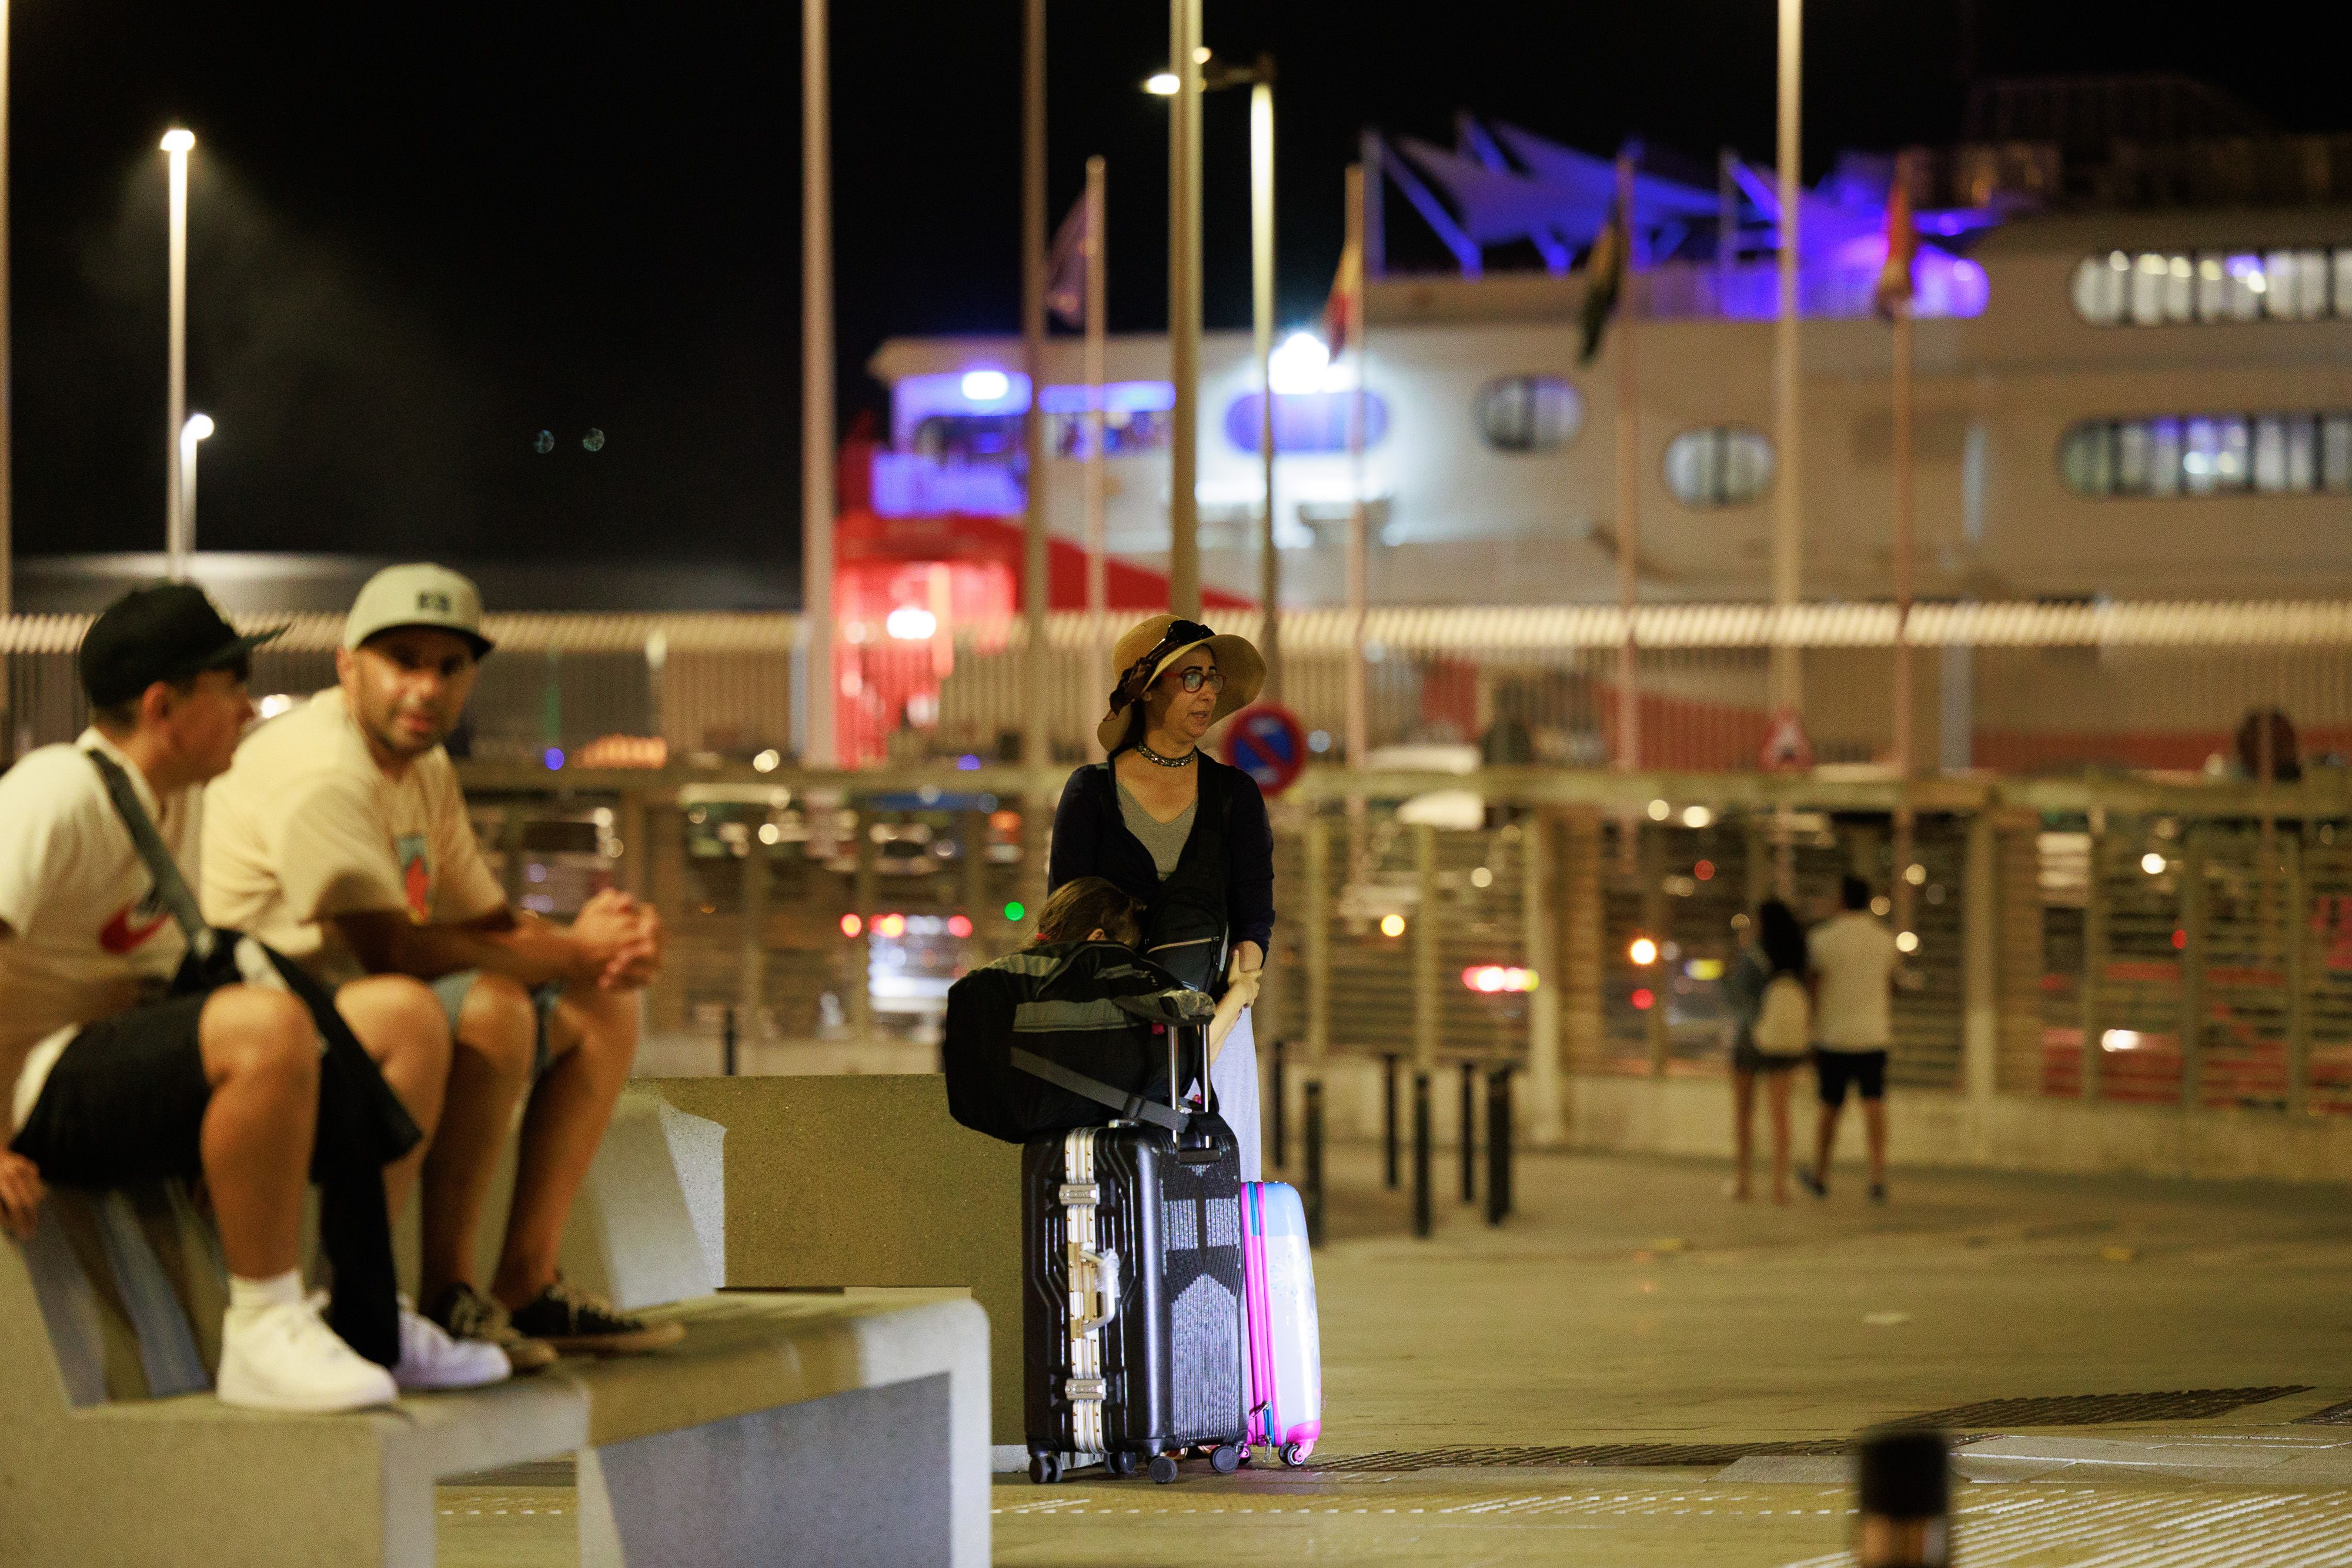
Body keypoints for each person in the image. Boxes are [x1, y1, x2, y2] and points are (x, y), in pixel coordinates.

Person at [1, 583, 507, 1409]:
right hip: (32, 1089)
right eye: (230, 688)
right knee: (265, 1025)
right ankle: (263, 1328)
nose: (247, 710)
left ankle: (359, 1311)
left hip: (114, 1067)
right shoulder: (56, 789)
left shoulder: (184, 800)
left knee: (402, 1016)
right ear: (165, 705)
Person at [203, 564, 679, 1366]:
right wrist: (572, 947)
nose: (426, 685)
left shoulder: (421, 769)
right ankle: (439, 1292)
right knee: (490, 1002)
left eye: (449, 665)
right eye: (404, 659)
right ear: (348, 665)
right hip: (267, 1022)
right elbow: (390, 945)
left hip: (359, 1009)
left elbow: (484, 920)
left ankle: (527, 1280)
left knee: (601, 1001)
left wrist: (604, 941)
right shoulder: (323, 767)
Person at [1048, 615, 1275, 1180]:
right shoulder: (1090, 793)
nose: (1208, 692)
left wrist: (1238, 996)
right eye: (1191, 677)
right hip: (1113, 1029)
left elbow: (1255, 910)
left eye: (1214, 678)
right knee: (1119, 1192)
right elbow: (1067, 917)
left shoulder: (1235, 795)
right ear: (1148, 687)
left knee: (1219, 1188)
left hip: (1215, 1015)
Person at [1031, 875, 1261, 1059]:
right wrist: (1239, 992)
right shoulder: (1084, 996)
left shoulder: (1028, 978)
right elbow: (1183, 1059)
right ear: (1097, 938)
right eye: (1124, 952)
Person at [1799, 875, 1900, 1204]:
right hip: (1874, 1034)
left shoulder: (1821, 939)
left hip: (1833, 1035)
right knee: (1874, 1103)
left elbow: (1812, 988)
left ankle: (1821, 1175)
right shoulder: (1885, 940)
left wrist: (1809, 1032)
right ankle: (1877, 1176)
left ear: (1841, 899)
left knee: (1830, 1106)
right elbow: (1891, 985)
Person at [1722, 898, 1809, 1204]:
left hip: (1750, 1040)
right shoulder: (1797, 956)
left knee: (1745, 1113)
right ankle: (1779, 1187)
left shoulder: (1754, 955)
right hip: (1783, 1043)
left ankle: (1744, 1181)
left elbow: (1738, 998)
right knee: (1780, 1114)